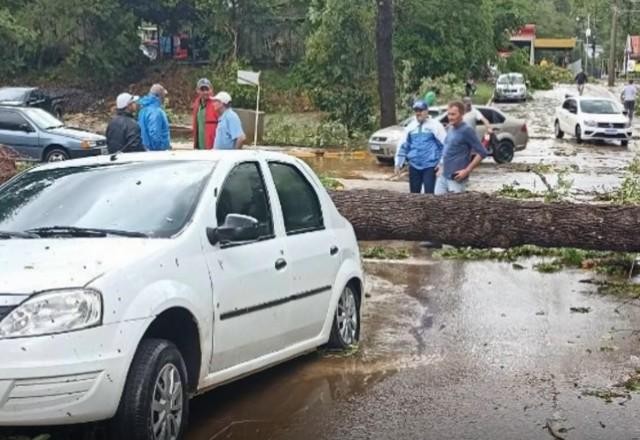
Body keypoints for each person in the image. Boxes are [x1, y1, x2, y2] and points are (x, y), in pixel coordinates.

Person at [435, 101, 488, 195]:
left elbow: (482, 152)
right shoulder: (450, 128)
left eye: (453, 114)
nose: (450, 117)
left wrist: (467, 170)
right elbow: (447, 149)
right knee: (438, 205)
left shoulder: (467, 130)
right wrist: (441, 165)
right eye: (449, 114)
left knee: (456, 207)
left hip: (457, 179)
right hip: (443, 176)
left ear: (462, 114)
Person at [394, 100, 447, 194]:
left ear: (426, 111)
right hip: (414, 165)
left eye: (421, 110)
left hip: (430, 166)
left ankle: (429, 209)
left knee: (429, 195)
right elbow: (403, 145)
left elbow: (445, 145)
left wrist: (441, 164)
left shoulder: (435, 126)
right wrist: (398, 163)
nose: (418, 113)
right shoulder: (410, 127)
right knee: (414, 195)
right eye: (416, 111)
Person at [138, 84, 171, 151]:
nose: (164, 98)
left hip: (145, 149)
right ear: (158, 96)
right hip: (155, 153)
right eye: (163, 95)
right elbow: (154, 134)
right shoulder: (156, 112)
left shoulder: (143, 110)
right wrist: (159, 149)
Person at [192, 78, 218, 150]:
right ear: (197, 90)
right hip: (200, 147)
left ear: (211, 90)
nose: (205, 92)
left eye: (207, 89)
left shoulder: (216, 104)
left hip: (212, 148)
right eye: (202, 90)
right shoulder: (196, 104)